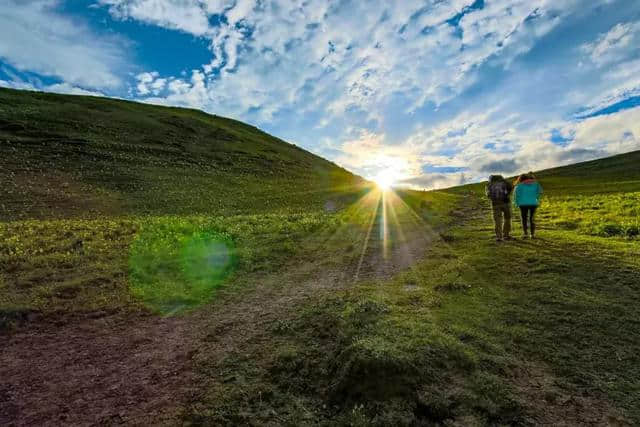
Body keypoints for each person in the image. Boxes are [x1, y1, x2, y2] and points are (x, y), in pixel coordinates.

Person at [513, 172, 543, 239]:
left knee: (524, 219)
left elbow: (516, 196)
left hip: (522, 204)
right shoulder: (536, 184)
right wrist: (536, 197)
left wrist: (516, 203)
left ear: (520, 179)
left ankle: (525, 233)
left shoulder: (519, 186)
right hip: (533, 203)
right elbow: (540, 192)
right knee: (532, 219)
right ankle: (532, 234)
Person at [485, 175, 513, 241]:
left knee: (497, 220)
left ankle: (499, 237)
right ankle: (506, 235)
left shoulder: (489, 185)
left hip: (495, 204)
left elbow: (488, 195)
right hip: (506, 203)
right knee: (507, 219)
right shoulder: (505, 183)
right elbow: (510, 189)